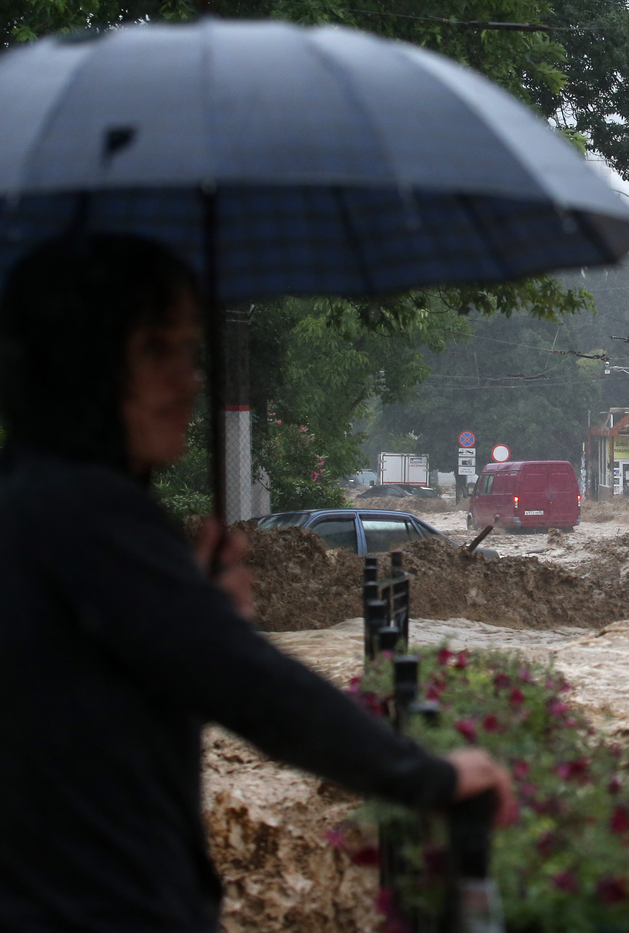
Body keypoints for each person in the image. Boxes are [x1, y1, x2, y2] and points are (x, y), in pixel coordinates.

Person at [0, 235, 515, 932]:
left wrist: (195, 610)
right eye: (156, 351)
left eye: (190, 350)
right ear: (79, 365)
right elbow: (256, 691)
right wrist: (432, 777)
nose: (189, 380)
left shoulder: (36, 504)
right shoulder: (89, 515)